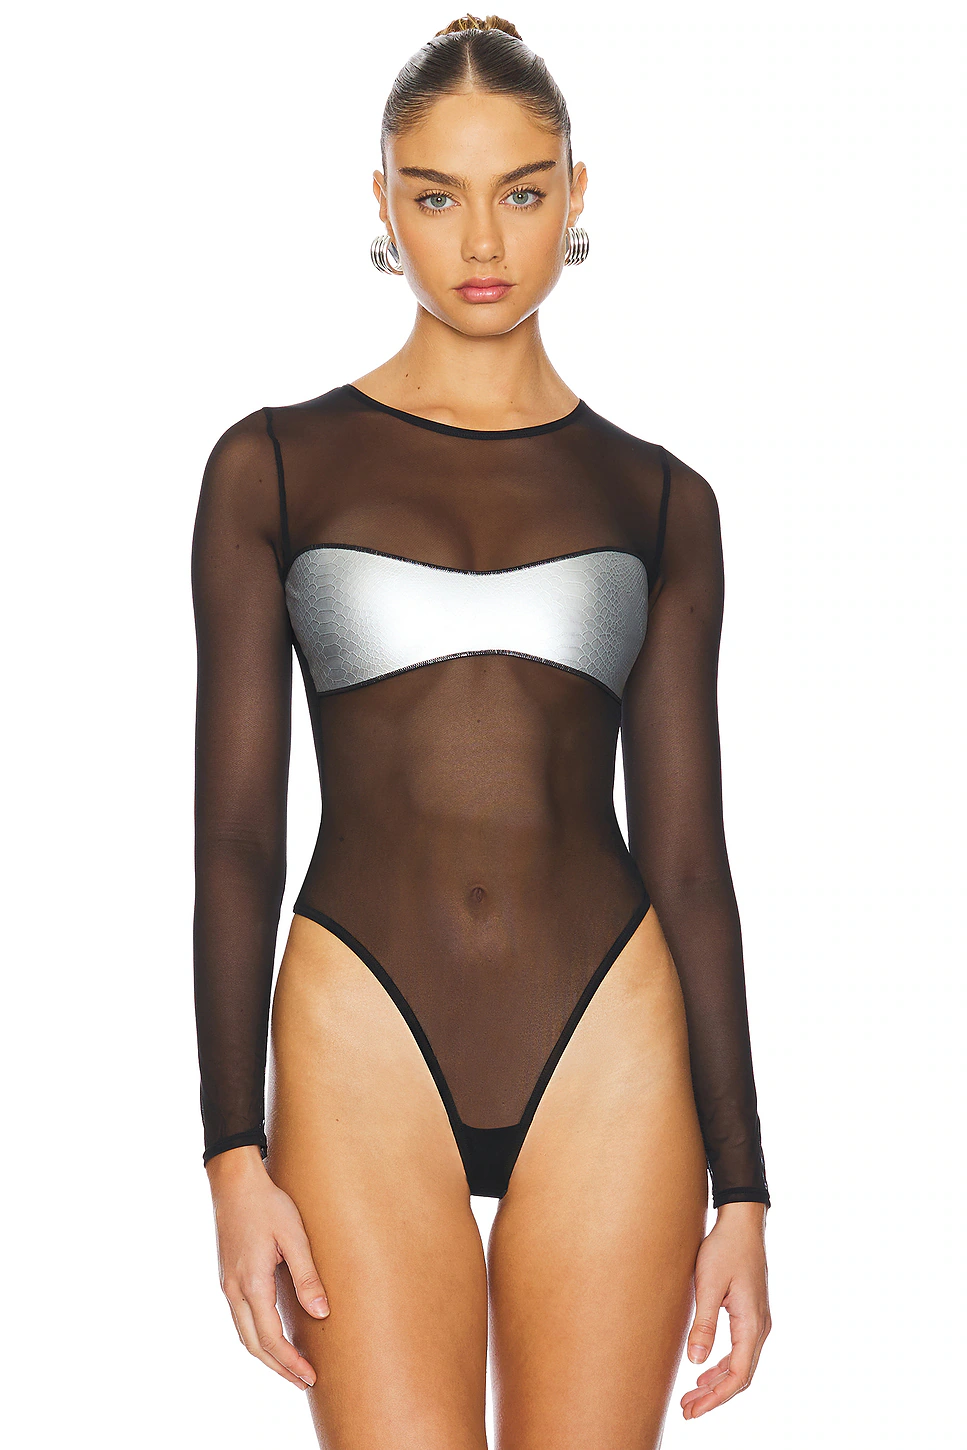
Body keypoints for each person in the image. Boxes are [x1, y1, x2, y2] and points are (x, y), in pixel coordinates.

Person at [192, 14, 772, 1447]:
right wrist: (229, 1151)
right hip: (356, 1019)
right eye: (436, 194)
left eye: (519, 190)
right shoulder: (271, 466)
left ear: (576, 193)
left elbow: (690, 858)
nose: (482, 241)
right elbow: (236, 839)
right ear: (381, 202)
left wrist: (747, 1190)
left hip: (610, 1027)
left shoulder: (661, 500)